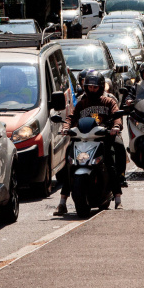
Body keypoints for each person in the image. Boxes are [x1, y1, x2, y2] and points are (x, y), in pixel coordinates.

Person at [56, 72, 126, 214]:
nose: (92, 90)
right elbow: (71, 117)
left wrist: (116, 127)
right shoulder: (82, 103)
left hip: (102, 139)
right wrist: (65, 127)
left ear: (100, 87)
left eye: (95, 87)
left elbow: (116, 115)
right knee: (69, 163)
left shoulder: (109, 101)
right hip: (83, 139)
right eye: (90, 87)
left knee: (112, 160)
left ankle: (118, 198)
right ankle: (62, 202)